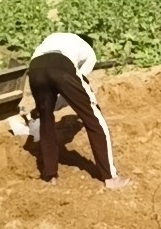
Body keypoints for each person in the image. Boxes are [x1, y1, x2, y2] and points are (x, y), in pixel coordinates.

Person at [22, 31, 129, 189]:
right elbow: (76, 86)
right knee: (94, 118)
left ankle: (50, 175)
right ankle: (111, 178)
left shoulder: (55, 38)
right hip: (61, 64)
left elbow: (56, 83)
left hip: (35, 68)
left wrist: (44, 108)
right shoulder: (89, 51)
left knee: (46, 119)